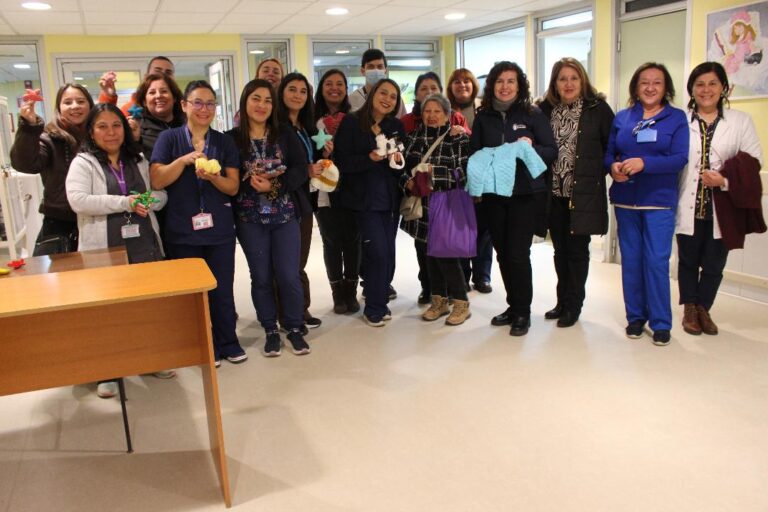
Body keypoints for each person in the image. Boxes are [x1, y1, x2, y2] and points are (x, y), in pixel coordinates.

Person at [66, 104, 172, 397]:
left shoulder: (137, 159)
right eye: (102, 126)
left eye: (116, 125)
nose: (111, 132)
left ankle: (150, 359)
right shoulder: (84, 162)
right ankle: (107, 372)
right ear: (91, 130)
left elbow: (160, 193)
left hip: (144, 244)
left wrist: (150, 201)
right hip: (105, 248)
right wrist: (125, 202)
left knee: (147, 307)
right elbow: (79, 200)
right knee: (107, 312)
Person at [150, 80, 247, 365]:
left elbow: (232, 187)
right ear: (184, 105)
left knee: (222, 288)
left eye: (210, 103)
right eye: (198, 102)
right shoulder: (169, 140)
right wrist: (183, 161)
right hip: (181, 230)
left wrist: (213, 177)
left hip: (218, 230)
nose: (204, 109)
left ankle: (228, 341)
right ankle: (201, 345)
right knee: (193, 294)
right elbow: (157, 179)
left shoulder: (224, 141)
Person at [675, 61, 764, 336]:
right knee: (688, 260)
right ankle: (690, 308)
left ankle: (704, 307)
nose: (706, 90)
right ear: (691, 89)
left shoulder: (739, 121)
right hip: (688, 204)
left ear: (723, 87)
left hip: (722, 207)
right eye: (700, 84)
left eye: (712, 83)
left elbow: (753, 162)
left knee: (714, 264)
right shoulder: (680, 120)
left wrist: (724, 180)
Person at [470, 61, 557, 337]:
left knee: (518, 254)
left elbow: (550, 151)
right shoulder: (483, 116)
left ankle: (523, 312)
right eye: (500, 81)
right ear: (491, 85)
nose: (505, 86)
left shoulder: (532, 114)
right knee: (503, 254)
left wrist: (529, 148)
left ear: (519, 85)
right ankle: (512, 305)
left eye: (511, 81)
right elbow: (475, 155)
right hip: (495, 195)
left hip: (525, 195)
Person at [606, 62, 689, 346]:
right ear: (635, 87)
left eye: (657, 82)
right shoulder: (623, 118)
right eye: (644, 82)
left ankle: (661, 322)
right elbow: (609, 154)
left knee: (655, 262)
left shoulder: (676, 118)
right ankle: (635, 318)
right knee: (631, 262)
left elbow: (679, 159)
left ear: (666, 88)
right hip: (626, 201)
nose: (650, 87)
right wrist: (613, 167)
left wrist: (645, 163)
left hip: (658, 203)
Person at [230, 79, 312, 357]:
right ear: (245, 102)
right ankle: (270, 329)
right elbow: (227, 177)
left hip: (285, 216)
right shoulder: (231, 139)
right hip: (250, 219)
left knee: (289, 276)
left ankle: (295, 327)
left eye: (267, 100)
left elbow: (301, 170)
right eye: (256, 98)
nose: (262, 105)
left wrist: (274, 186)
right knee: (261, 277)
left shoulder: (284, 134)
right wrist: (247, 180)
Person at [538, 58, 615, 327]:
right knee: (559, 250)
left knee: (578, 251)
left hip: (582, 193)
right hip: (553, 192)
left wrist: (594, 176)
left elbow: (610, 148)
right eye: (562, 79)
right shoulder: (545, 110)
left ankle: (574, 305)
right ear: (555, 84)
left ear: (582, 81)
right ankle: (562, 302)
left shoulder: (598, 109)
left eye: (574, 78)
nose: (568, 83)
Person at [335, 78, 405, 326]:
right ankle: (374, 307)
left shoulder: (395, 125)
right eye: (383, 93)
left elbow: (400, 165)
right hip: (363, 201)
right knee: (377, 252)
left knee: (387, 253)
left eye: (393, 96)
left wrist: (397, 161)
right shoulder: (353, 122)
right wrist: (370, 158)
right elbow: (341, 162)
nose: (387, 99)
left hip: (390, 201)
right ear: (373, 94)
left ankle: (379, 300)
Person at [399, 72, 470, 303]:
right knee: (428, 256)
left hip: (447, 208)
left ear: (447, 114)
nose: (431, 116)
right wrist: (407, 182)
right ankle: (437, 300)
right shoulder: (413, 138)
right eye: (427, 111)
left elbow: (463, 173)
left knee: (447, 258)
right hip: (421, 209)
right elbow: (398, 168)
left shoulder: (456, 139)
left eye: (437, 111)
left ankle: (460, 302)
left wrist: (431, 176)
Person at [10, 83, 94, 255]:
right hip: (60, 222)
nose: (75, 106)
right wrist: (28, 127)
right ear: (59, 108)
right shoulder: (49, 138)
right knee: (57, 279)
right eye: (68, 102)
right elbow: (25, 164)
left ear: (90, 106)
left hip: (97, 218)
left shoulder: (99, 136)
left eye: (80, 101)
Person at [276, 72, 322, 330]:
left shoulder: (307, 126)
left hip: (305, 199)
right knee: (288, 262)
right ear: (282, 93)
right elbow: (281, 165)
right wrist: (306, 169)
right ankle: (289, 314)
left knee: (299, 259)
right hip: (286, 198)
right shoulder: (278, 127)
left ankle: (300, 309)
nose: (297, 95)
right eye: (292, 89)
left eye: (303, 91)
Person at [313, 68, 361, 315]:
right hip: (322, 191)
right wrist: (321, 157)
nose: (335, 88)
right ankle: (337, 293)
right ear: (321, 88)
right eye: (329, 83)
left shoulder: (354, 119)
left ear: (346, 88)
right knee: (331, 241)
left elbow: (361, 153)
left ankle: (351, 292)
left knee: (352, 241)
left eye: (340, 84)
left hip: (352, 190)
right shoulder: (311, 120)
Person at [447, 67, 494, 295]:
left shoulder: (485, 109)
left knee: (484, 229)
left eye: (466, 81)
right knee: (461, 228)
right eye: (457, 82)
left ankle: (482, 276)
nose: (462, 85)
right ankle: (463, 275)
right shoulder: (445, 110)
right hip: (456, 178)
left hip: (483, 177)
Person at [130, 73, 185, 159]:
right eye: (152, 93)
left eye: (164, 91)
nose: (158, 96)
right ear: (144, 101)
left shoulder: (187, 125)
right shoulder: (136, 129)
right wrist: (135, 141)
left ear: (174, 97)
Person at [99, 56, 175, 117]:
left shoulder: (183, 107)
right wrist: (108, 97)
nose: (163, 75)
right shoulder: (131, 109)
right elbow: (105, 120)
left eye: (168, 72)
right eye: (157, 71)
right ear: (146, 76)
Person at [400, 72, 470, 135]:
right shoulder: (405, 121)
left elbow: (471, 144)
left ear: (440, 92)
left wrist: (462, 133)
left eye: (433, 88)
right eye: (424, 89)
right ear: (416, 94)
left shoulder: (456, 118)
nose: (429, 92)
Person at [348, 49, 407, 118]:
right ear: (362, 71)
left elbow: (403, 123)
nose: (376, 70)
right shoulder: (352, 99)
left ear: (385, 71)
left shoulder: (395, 99)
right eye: (371, 67)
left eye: (380, 67)